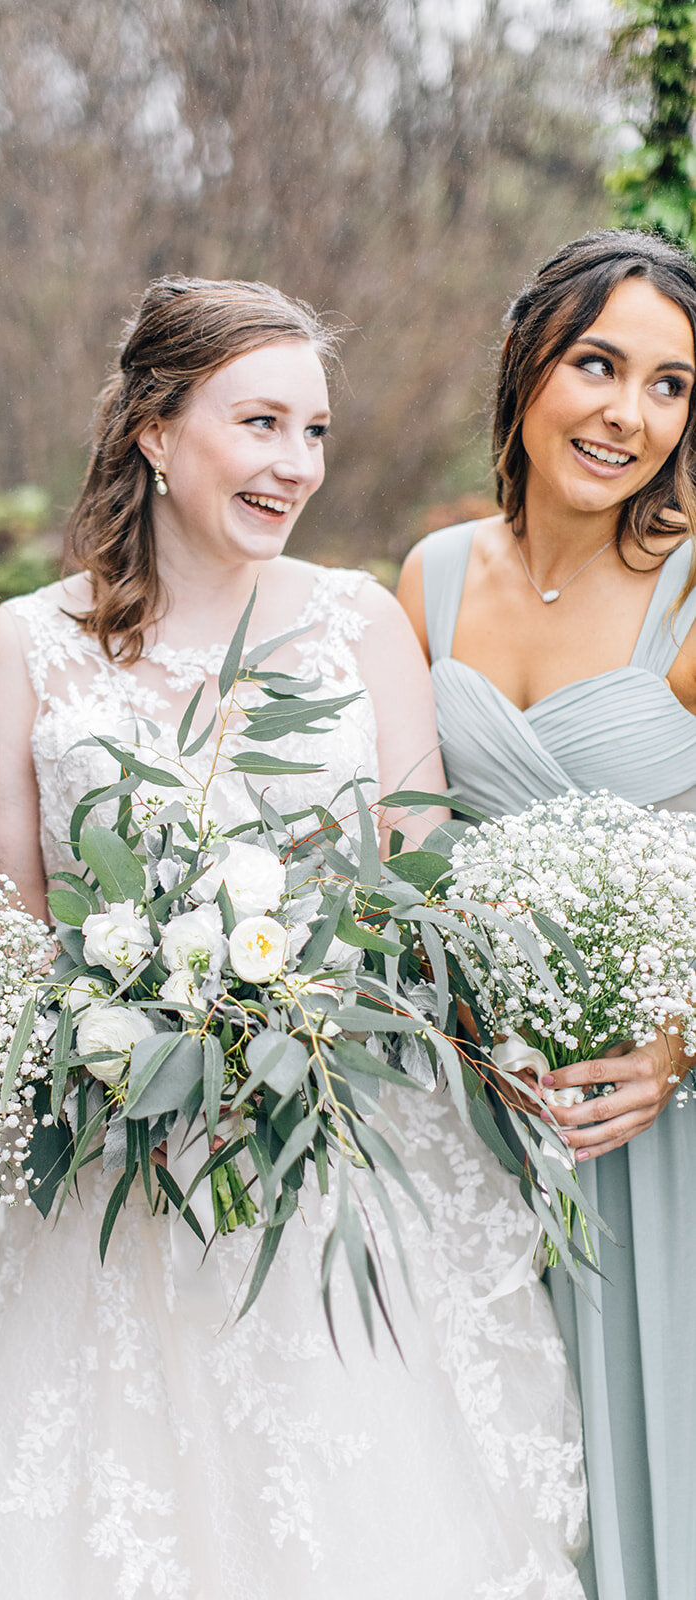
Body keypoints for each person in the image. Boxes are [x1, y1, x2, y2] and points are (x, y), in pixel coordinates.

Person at [0, 278, 586, 1600]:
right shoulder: (27, 648)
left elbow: (414, 885)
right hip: (118, 1185)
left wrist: (298, 1028)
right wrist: (133, 1042)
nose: (293, 465)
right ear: (150, 428)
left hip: (332, 1177)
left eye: (312, 432)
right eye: (258, 423)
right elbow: (11, 933)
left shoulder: (360, 624)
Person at [397, 229, 696, 1600]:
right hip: (467, 1102)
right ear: (526, 360)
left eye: (668, 384)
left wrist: (673, 1047)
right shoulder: (433, 575)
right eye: (596, 363)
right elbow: (395, 843)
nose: (626, 414)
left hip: (647, 1109)